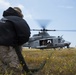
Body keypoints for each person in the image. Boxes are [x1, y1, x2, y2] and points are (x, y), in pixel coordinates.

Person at [0, 7, 30, 75]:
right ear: (19, 13)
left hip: (1, 46)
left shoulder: (2, 19)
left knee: (4, 64)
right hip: (12, 47)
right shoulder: (18, 19)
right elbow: (26, 33)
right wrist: (19, 43)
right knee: (14, 66)